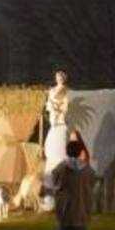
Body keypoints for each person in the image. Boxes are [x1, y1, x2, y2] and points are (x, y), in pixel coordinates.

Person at [52, 139, 95, 230]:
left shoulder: (62, 167)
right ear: (80, 151)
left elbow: (55, 181)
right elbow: (92, 182)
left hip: (66, 211)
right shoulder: (87, 169)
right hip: (81, 211)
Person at [43, 70, 70, 210]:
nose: (58, 78)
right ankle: (49, 199)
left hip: (59, 121)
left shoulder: (65, 90)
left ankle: (59, 198)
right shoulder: (52, 89)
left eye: (61, 76)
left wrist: (59, 109)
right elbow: (49, 104)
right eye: (57, 76)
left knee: (59, 154)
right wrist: (52, 106)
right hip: (54, 122)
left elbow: (65, 105)